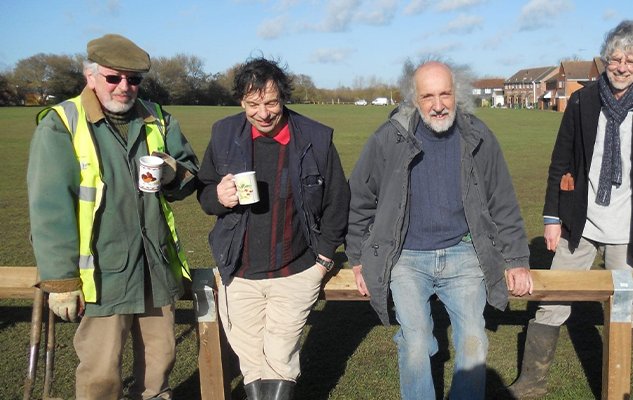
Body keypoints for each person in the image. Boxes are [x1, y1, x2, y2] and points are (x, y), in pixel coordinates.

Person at [499, 20, 633, 399]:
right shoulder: (582, 101)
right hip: (579, 224)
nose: (622, 67)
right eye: (616, 59)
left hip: (630, 230)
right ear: (605, 60)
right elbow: (560, 161)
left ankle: (617, 388)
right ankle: (531, 384)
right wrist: (552, 218)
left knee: (624, 310)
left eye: (631, 61)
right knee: (552, 302)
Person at [346, 59, 533, 399]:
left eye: (445, 94)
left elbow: (503, 200)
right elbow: (359, 198)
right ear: (413, 99)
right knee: (416, 342)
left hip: (463, 253)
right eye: (428, 96)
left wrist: (517, 259)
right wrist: (358, 258)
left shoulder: (478, 136)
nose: (438, 105)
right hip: (406, 257)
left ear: (456, 93)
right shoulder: (389, 138)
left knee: (474, 341)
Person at [27, 34, 198, 400]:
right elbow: (49, 210)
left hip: (155, 267)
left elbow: (189, 174)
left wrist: (172, 174)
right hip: (102, 275)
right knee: (101, 376)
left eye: (133, 79)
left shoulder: (157, 118)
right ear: (90, 75)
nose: (124, 87)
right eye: (113, 77)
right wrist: (61, 281)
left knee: (159, 367)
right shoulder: (61, 124)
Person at [196, 58, 349, 400]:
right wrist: (218, 197)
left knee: (280, 361)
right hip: (239, 273)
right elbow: (204, 193)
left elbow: (338, 201)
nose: (263, 114)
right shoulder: (223, 134)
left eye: (271, 103)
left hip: (296, 271)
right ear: (241, 101)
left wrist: (324, 258)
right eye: (253, 104)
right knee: (252, 365)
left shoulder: (315, 138)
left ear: (283, 98)